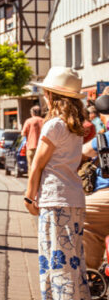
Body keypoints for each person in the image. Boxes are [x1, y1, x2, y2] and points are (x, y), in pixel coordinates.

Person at [24, 67, 90, 300]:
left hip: (55, 200)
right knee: (73, 261)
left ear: (52, 96)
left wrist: (29, 196)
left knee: (56, 260)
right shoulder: (76, 127)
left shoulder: (54, 125)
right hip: (74, 198)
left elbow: (38, 165)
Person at [82, 94, 109, 271]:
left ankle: (89, 274)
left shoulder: (103, 138)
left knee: (81, 219)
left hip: (105, 197)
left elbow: (82, 153)